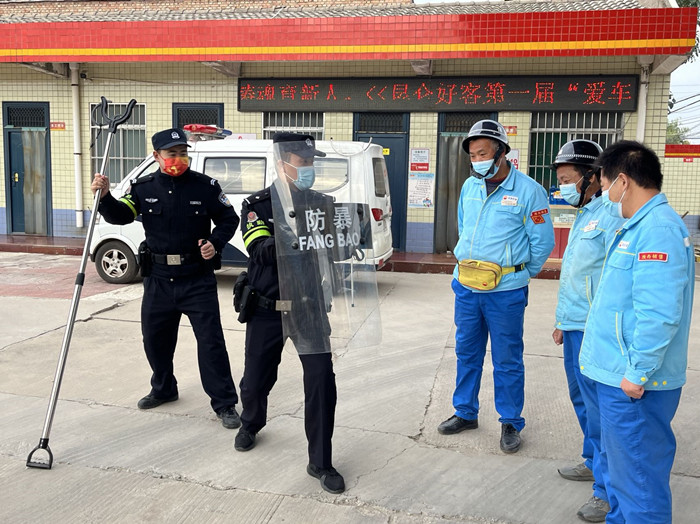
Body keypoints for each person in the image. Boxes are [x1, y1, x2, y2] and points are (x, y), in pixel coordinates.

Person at [90, 128, 241, 429]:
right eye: (172, 153)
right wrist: (105, 197)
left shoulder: (205, 187)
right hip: (158, 279)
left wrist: (215, 242)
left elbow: (229, 219)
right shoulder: (143, 188)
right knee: (155, 340)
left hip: (196, 278)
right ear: (157, 156)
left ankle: (224, 403)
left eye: (183, 153)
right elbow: (122, 214)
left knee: (211, 343)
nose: (178, 158)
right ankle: (163, 388)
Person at [579, 140, 694, 523]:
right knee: (624, 479)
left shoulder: (658, 230)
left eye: (605, 184)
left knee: (639, 484)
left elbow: (659, 314)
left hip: (634, 385)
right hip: (619, 376)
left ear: (623, 181)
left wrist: (637, 372)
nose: (605, 194)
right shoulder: (639, 226)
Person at [234, 132, 345, 494]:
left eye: (312, 161)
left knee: (321, 382)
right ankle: (251, 422)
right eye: (303, 162)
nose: (309, 167)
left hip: (309, 309)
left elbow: (339, 249)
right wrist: (303, 237)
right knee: (255, 380)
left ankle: (321, 461)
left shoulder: (323, 204)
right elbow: (260, 249)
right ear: (283, 163)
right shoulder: (257, 205)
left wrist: (351, 234)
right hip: (268, 308)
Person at [438, 120, 555, 453]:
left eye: (483, 153)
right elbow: (464, 227)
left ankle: (510, 421)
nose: (477, 161)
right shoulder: (469, 187)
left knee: (507, 358)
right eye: (473, 155)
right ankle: (465, 412)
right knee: (466, 352)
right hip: (467, 286)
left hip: (506, 291)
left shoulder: (529, 191)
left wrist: (520, 274)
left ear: (502, 152)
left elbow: (542, 241)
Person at [550, 139, 625, 522]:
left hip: (596, 330)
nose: (562, 187)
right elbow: (577, 274)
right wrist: (562, 321)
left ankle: (607, 493)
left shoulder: (613, 215)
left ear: (593, 178)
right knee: (582, 401)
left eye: (568, 179)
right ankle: (593, 461)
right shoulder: (584, 213)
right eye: (560, 180)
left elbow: (612, 279)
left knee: (601, 411)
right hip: (575, 325)